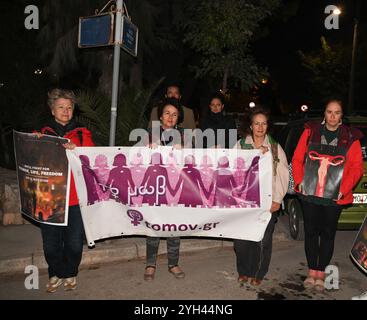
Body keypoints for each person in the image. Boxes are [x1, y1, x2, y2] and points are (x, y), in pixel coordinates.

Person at [292, 99, 364, 291]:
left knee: (328, 234)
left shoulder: (351, 137)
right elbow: (298, 158)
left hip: (334, 197)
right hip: (310, 194)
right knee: (310, 232)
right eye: (329, 112)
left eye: (337, 112)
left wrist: (343, 189)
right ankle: (311, 271)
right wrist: (300, 181)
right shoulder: (310, 132)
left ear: (341, 116)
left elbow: (357, 168)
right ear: (324, 113)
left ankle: (321, 272)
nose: (333, 116)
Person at [35, 89, 95, 293]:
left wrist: (76, 148)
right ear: (52, 110)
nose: (65, 111)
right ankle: (55, 272)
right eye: (61, 107)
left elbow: (92, 157)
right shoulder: (41, 134)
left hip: (76, 199)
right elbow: (33, 163)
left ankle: (70, 272)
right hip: (49, 198)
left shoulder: (82, 132)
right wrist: (33, 144)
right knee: (51, 244)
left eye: (69, 107)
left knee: (75, 244)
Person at [233, 106, 289, 285]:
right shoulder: (241, 145)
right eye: (256, 123)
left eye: (263, 124)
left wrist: (277, 199)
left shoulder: (274, 147)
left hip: (267, 202)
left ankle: (258, 273)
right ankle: (243, 270)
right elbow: (231, 170)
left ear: (267, 126)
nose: (260, 127)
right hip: (244, 202)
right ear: (251, 126)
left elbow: (282, 174)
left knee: (263, 241)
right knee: (242, 241)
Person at [144, 98, 185, 281]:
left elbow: (194, 161)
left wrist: (183, 150)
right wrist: (147, 149)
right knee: (153, 226)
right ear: (161, 116)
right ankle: (150, 264)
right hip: (155, 189)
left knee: (174, 227)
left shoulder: (184, 135)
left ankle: (173, 264)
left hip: (175, 189)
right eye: (167, 113)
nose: (170, 117)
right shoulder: (149, 134)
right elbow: (136, 159)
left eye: (174, 114)